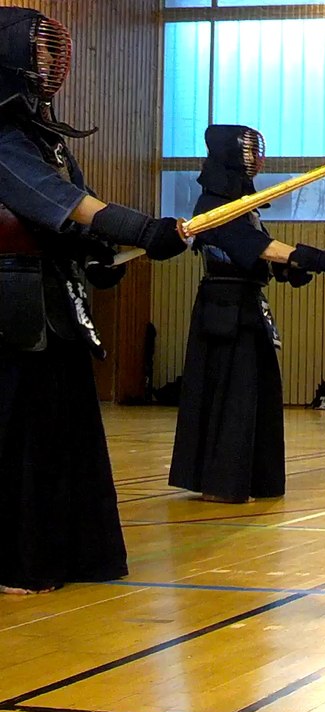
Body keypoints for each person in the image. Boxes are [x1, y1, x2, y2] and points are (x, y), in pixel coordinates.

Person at [0, 7, 189, 594]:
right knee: (21, 431)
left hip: (55, 295)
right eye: (38, 50)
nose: (50, 62)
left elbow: (82, 207)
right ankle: (16, 560)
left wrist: (102, 252)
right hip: (10, 301)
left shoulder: (46, 138)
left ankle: (70, 554)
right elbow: (54, 201)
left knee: (65, 427)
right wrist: (141, 228)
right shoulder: (2, 137)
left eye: (52, 51)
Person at [169, 125, 325, 504]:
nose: (256, 159)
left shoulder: (244, 208)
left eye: (257, 152)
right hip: (222, 310)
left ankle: (252, 478)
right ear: (229, 155)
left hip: (247, 304)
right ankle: (220, 481)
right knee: (231, 394)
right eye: (248, 152)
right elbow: (251, 245)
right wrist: (311, 257)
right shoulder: (211, 205)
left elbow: (260, 254)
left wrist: (290, 269)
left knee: (257, 392)